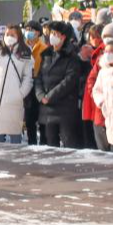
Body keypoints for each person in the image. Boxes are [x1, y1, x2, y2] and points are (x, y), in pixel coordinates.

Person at [35, 21, 83, 149]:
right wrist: (40, 95)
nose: (52, 36)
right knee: (51, 145)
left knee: (69, 144)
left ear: (63, 37)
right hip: (47, 109)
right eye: (51, 33)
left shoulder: (72, 57)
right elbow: (38, 77)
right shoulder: (46, 54)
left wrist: (49, 96)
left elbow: (69, 81)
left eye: (55, 34)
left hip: (64, 108)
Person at [23, 20, 46, 145]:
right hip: (27, 83)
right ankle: (31, 143)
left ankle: (43, 143)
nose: (29, 32)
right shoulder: (22, 47)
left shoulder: (44, 48)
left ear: (38, 33)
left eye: (32, 30)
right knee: (29, 119)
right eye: (27, 29)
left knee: (41, 117)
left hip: (39, 84)